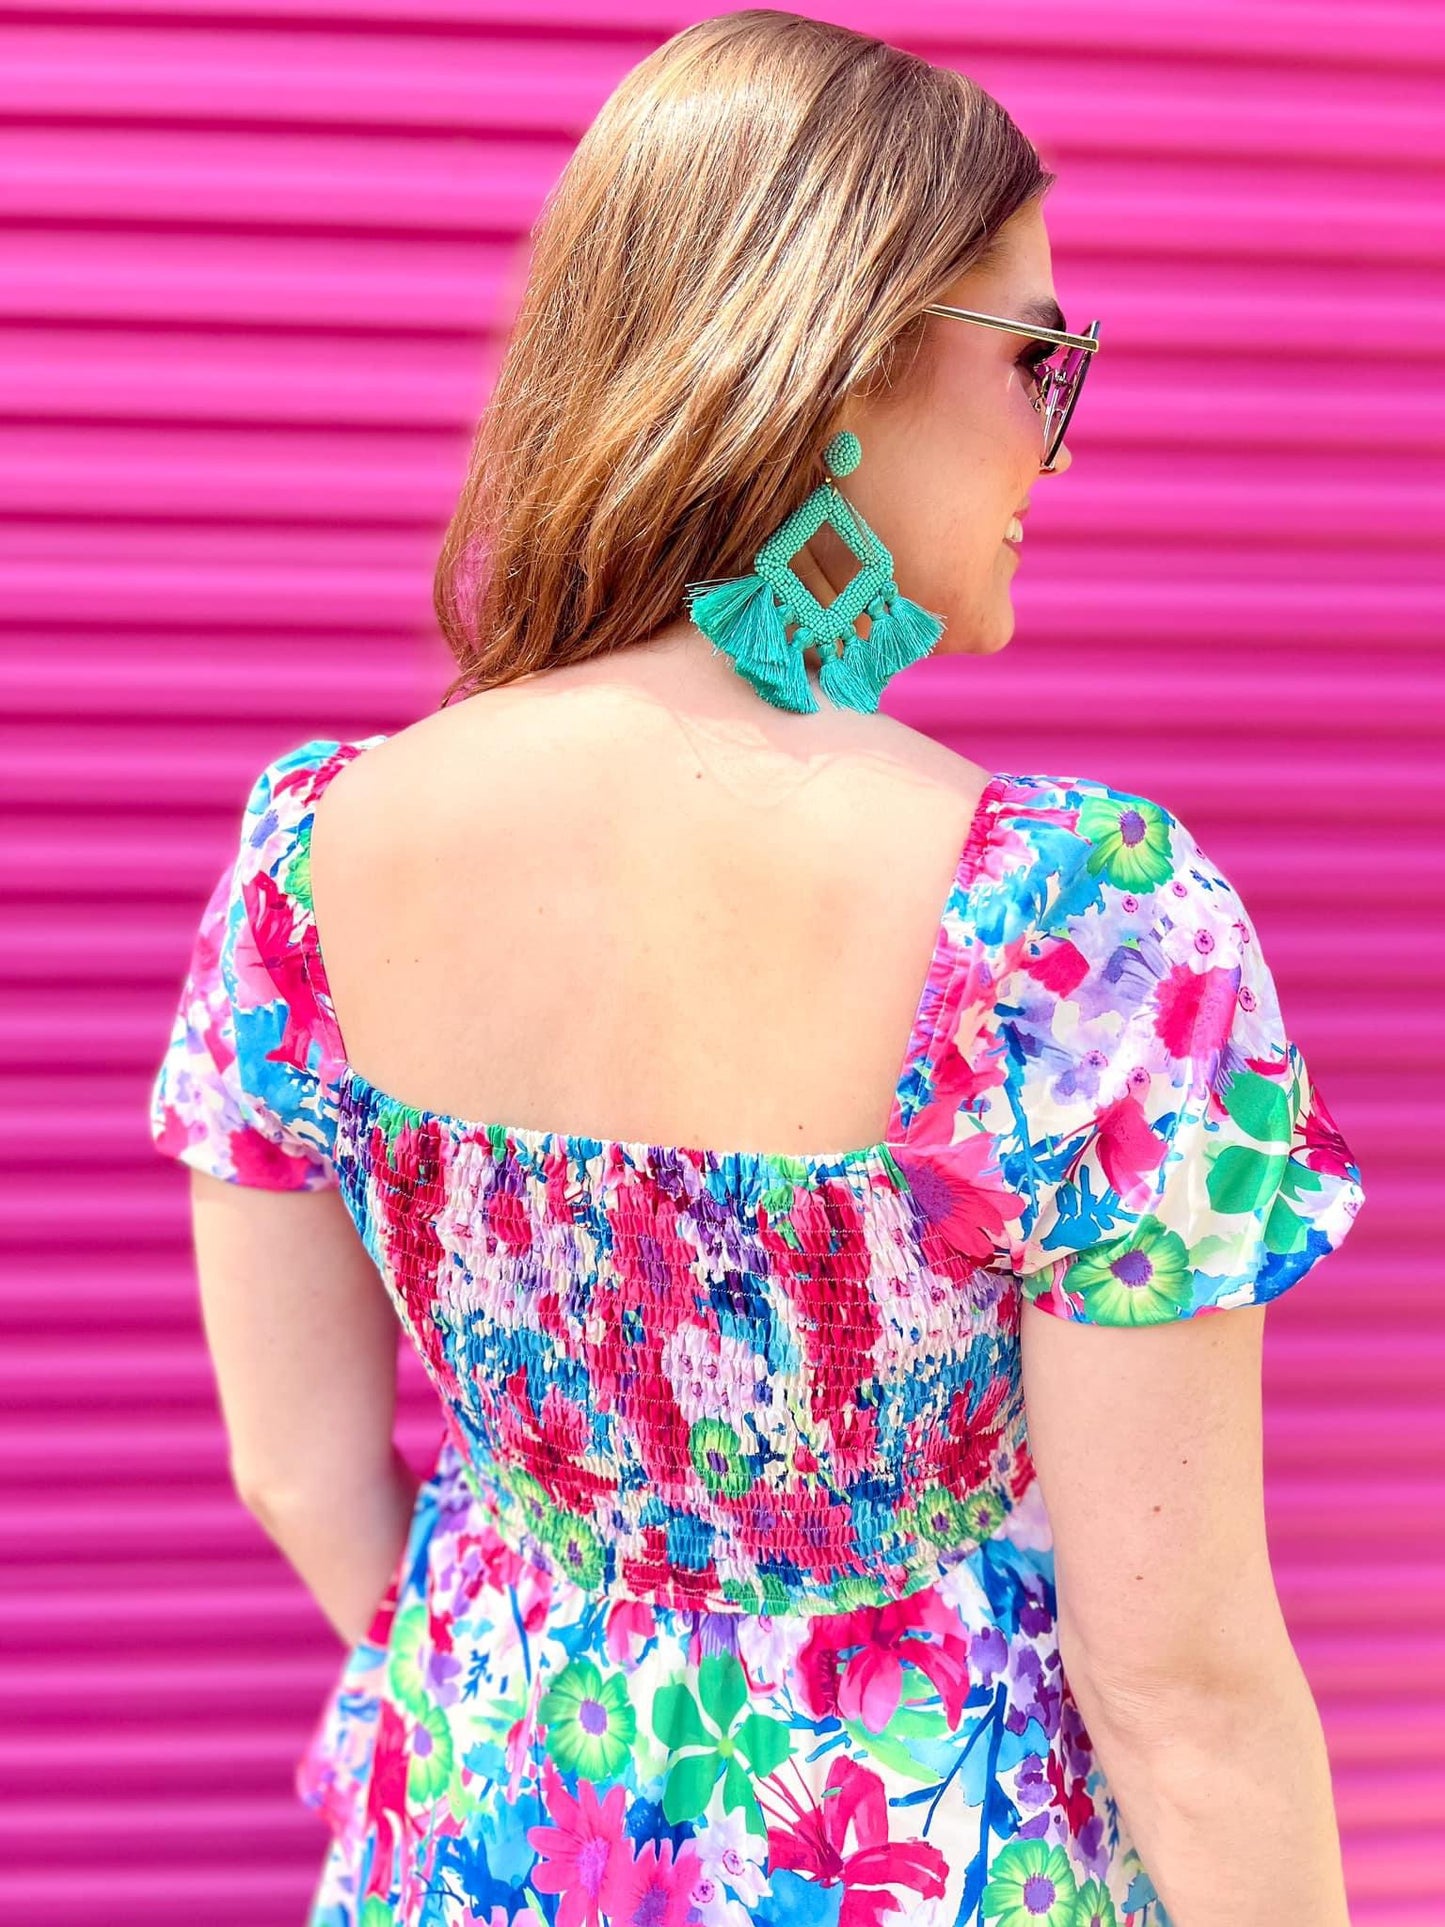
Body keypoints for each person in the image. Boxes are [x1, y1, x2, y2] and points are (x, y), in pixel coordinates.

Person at [148, 13, 1366, 1926]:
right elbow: (1182, 1684)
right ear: (842, 363)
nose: (1059, 428)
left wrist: (546, 1686)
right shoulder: (1062, 921)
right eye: (1038, 354)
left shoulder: (312, 850)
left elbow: (292, 1471)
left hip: (477, 1837)